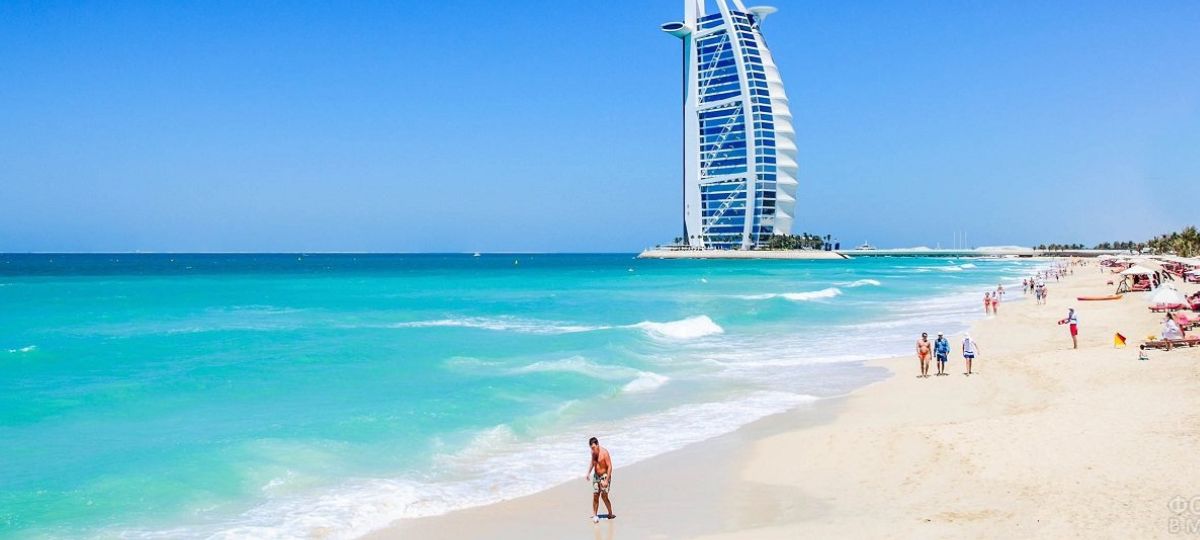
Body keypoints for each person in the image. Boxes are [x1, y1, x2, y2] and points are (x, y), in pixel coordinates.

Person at [586, 437, 614, 523]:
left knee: (604, 496)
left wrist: (606, 480)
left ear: (598, 444)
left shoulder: (604, 453)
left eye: (594, 447)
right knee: (595, 495)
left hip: (604, 476)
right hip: (596, 476)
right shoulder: (593, 453)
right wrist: (588, 473)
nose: (593, 449)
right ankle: (595, 515)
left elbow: (610, 467)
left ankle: (610, 513)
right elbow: (592, 462)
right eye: (591, 448)